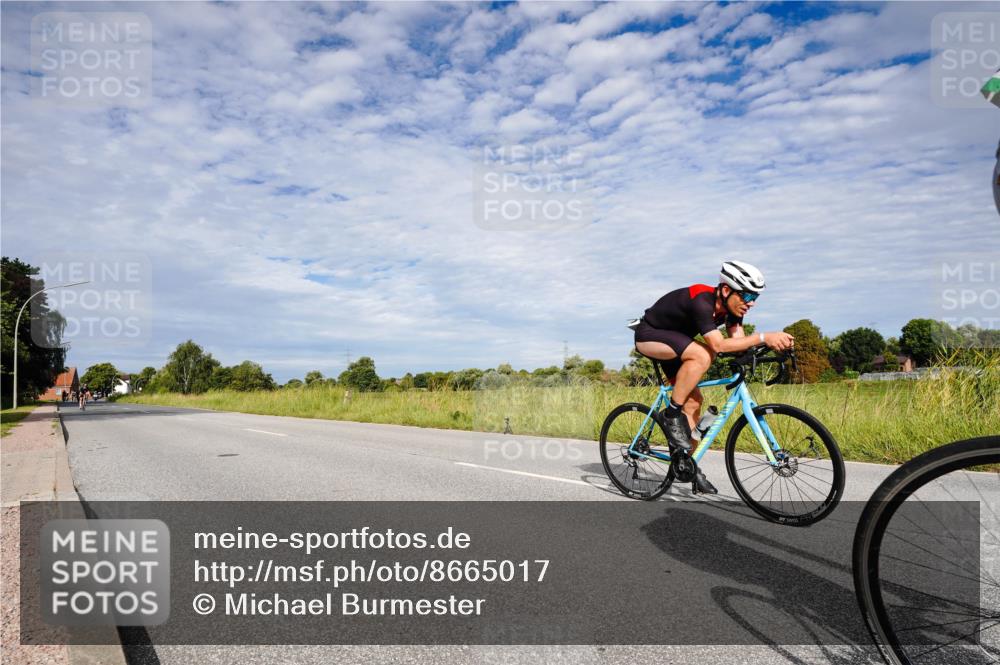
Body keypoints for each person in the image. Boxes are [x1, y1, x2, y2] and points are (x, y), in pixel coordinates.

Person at [633, 260, 795, 493]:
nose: (751, 304)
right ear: (727, 290)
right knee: (704, 354)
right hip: (650, 335)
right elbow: (719, 345)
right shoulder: (701, 300)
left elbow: (738, 345)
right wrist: (763, 337)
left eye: (755, 298)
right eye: (747, 296)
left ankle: (687, 464)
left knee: (695, 403)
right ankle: (670, 413)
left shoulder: (731, 312)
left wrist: (771, 347)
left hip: (678, 345)